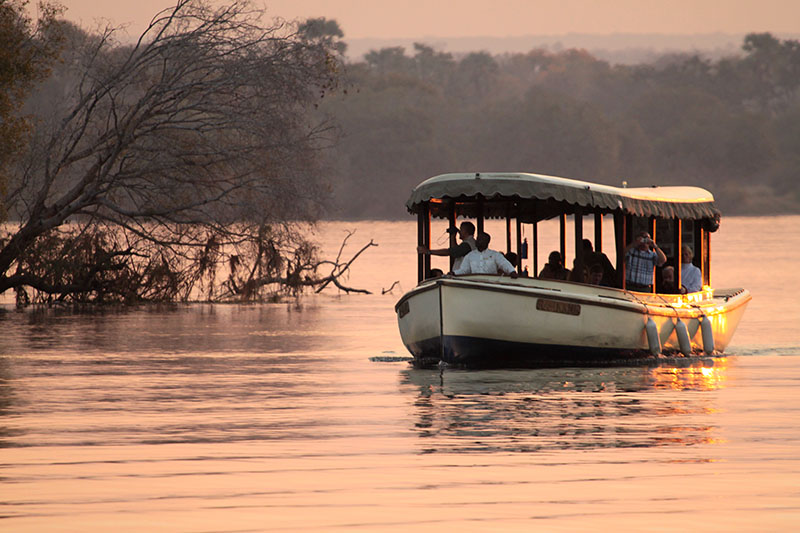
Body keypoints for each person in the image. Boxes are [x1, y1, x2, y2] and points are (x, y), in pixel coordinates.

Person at [452, 232, 517, 276]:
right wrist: (454, 273)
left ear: (487, 242)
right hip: (475, 284)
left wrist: (512, 271)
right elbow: (464, 270)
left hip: (491, 284)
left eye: (480, 240)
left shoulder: (495, 255)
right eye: (477, 239)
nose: (477, 241)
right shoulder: (470, 256)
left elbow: (504, 264)